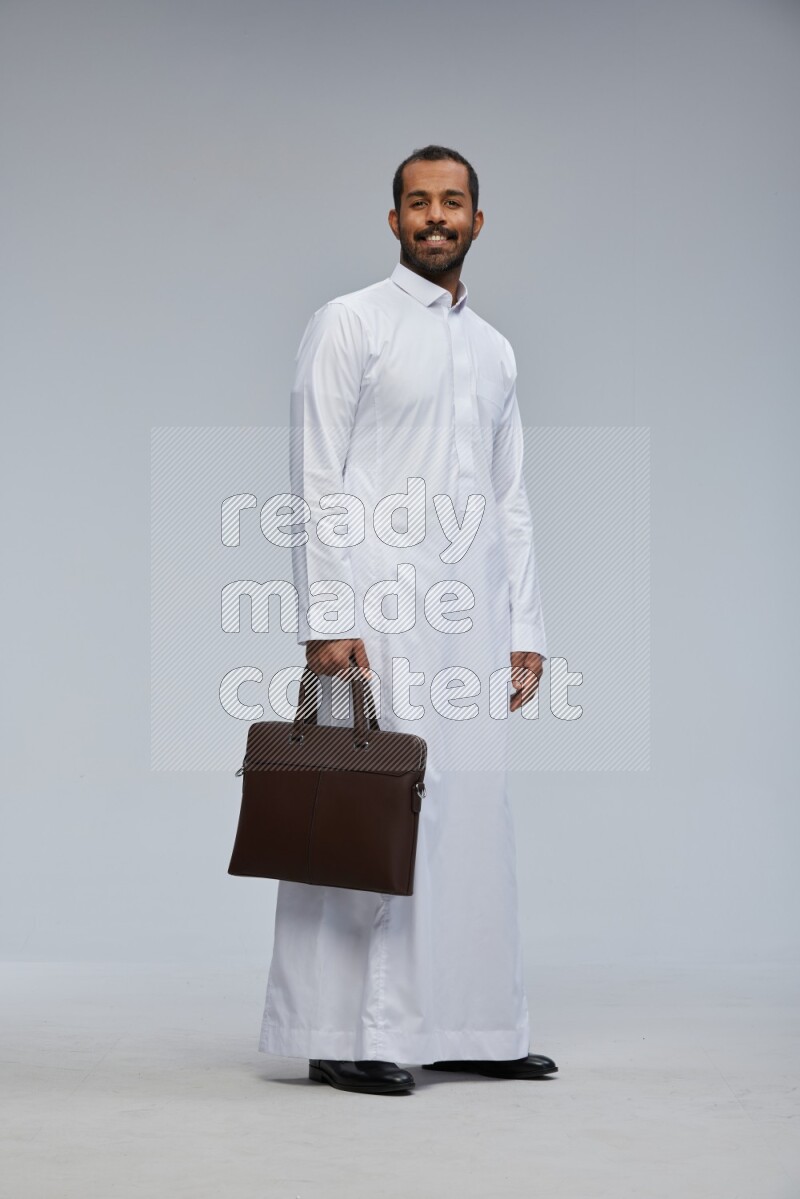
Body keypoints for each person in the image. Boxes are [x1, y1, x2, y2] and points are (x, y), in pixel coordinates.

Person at [258, 145, 557, 1094]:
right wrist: (326, 616)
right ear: (394, 221)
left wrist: (525, 627)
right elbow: (314, 474)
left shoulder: (495, 348)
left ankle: (468, 1023)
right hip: (376, 611)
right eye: (418, 202)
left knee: (468, 815)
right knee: (367, 803)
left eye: (452, 201)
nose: (436, 216)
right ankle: (340, 1030)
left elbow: (511, 499)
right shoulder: (351, 322)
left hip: (472, 619)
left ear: (477, 220)